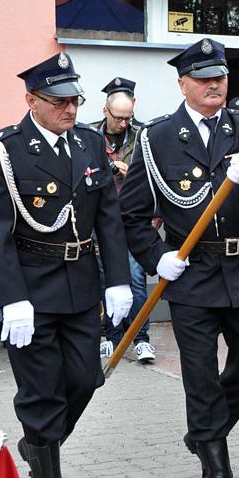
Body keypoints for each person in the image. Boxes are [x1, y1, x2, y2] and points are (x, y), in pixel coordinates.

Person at [120, 37, 239, 478]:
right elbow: (132, 214)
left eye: (220, 77)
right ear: (183, 84)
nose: (215, 85)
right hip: (191, 275)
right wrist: (157, 258)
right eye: (204, 79)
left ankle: (205, 432)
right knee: (199, 378)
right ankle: (217, 473)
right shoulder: (157, 139)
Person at [0, 52, 133, 478]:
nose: (70, 108)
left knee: (86, 379)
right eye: (59, 101)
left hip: (81, 284)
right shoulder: (3, 148)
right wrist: (12, 298)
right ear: (31, 101)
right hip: (32, 288)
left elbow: (108, 214)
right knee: (41, 390)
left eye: (75, 99)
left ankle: (40, 443)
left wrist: (118, 278)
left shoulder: (87, 143)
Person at [92, 77, 155, 362]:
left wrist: (129, 171)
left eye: (128, 117)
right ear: (106, 111)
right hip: (100, 222)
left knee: (136, 280)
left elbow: (154, 179)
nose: (124, 124)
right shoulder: (91, 137)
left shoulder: (144, 136)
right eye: (118, 118)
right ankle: (112, 337)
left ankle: (141, 339)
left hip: (132, 219)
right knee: (107, 279)